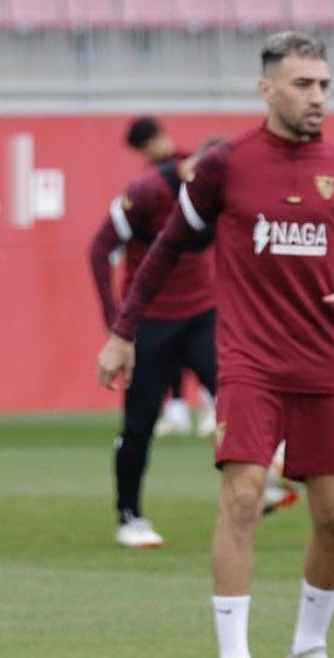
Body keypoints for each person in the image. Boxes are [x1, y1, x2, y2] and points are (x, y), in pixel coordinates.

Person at [97, 32, 334, 658]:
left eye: (325, 85)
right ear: (267, 89)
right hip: (250, 361)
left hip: (325, 364)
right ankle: (235, 652)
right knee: (245, 495)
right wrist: (123, 332)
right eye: (303, 84)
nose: (317, 98)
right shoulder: (228, 164)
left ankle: (309, 645)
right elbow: (169, 245)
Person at [89, 138, 222, 548]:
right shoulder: (149, 191)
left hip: (203, 315)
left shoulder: (226, 193)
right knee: (139, 425)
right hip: (151, 323)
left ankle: (264, 483)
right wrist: (118, 329)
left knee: (241, 399)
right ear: (193, 165)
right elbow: (99, 249)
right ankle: (130, 517)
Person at [124, 115, 216, 437]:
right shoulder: (148, 182)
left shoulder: (191, 168)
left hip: (201, 279)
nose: (147, 153)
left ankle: (210, 406)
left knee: (206, 352)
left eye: (147, 145)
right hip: (168, 285)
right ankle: (176, 407)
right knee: (172, 353)